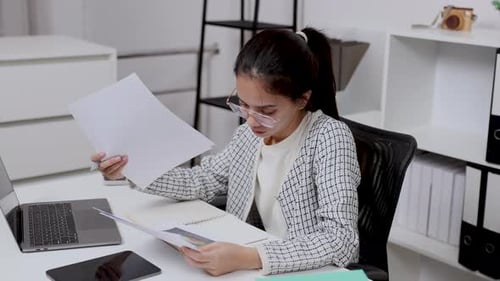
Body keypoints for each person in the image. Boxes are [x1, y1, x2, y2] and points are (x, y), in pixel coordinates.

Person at [92, 27, 361, 276]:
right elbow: (205, 180)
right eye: (243, 105)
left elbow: (340, 239)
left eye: (266, 111)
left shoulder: (330, 138)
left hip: (307, 271)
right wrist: (132, 170)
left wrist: (249, 256)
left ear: (302, 99)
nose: (251, 120)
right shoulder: (249, 135)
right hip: (254, 263)